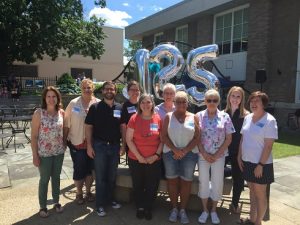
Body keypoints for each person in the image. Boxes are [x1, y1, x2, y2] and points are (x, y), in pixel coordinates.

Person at [238, 91, 278, 225]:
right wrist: (239, 156)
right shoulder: (248, 118)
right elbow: (243, 138)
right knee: (252, 192)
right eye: (252, 101)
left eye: (257, 101)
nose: (254, 104)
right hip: (247, 162)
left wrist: (260, 165)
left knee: (260, 194)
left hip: (261, 165)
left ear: (263, 104)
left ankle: (258, 222)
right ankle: (251, 219)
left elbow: (268, 146)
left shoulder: (270, 120)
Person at [85, 81, 124, 217]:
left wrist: (123, 145)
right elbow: (88, 127)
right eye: (106, 89)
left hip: (114, 147)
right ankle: (100, 205)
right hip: (99, 146)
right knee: (100, 177)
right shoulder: (95, 107)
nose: (109, 91)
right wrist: (89, 146)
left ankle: (110, 199)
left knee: (112, 176)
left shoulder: (120, 107)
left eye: (112, 89)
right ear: (102, 91)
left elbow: (122, 128)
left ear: (115, 91)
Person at [197, 89, 235, 224]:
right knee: (203, 181)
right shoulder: (198, 116)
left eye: (214, 100)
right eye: (209, 100)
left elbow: (229, 138)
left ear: (219, 101)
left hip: (219, 156)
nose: (212, 102)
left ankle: (213, 210)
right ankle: (204, 210)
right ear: (205, 101)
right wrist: (205, 153)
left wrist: (217, 154)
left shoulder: (225, 117)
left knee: (217, 182)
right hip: (203, 155)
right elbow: (196, 138)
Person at [161, 91, 200, 224]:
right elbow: (163, 136)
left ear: (187, 103)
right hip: (170, 154)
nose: (181, 104)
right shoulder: (168, 116)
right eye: (178, 101)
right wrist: (175, 150)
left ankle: (182, 210)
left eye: (184, 101)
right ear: (174, 103)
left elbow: (197, 137)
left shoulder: (194, 117)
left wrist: (184, 151)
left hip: (189, 155)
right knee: (172, 181)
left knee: (186, 182)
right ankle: (174, 209)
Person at [126, 94, 163, 220]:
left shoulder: (158, 118)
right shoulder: (133, 119)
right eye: (143, 102)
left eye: (148, 102)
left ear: (152, 104)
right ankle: (140, 206)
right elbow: (129, 140)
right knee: (138, 184)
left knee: (152, 184)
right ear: (139, 105)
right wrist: (139, 157)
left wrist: (156, 155)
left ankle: (148, 207)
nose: (145, 105)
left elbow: (162, 140)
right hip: (136, 159)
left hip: (154, 159)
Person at [31, 86, 65, 218]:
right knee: (44, 179)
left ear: (58, 98)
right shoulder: (38, 113)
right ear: (45, 98)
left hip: (58, 152)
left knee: (56, 178)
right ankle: (43, 206)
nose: (51, 99)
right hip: (44, 153)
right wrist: (35, 155)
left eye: (54, 96)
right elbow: (33, 136)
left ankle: (56, 202)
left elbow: (64, 130)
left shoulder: (61, 112)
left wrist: (65, 144)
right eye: (49, 96)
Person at [64, 78, 100, 205]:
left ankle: (88, 191)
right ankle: (79, 193)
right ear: (81, 89)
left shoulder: (98, 103)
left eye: (89, 87)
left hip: (94, 144)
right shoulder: (73, 104)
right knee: (79, 168)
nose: (87, 90)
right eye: (84, 87)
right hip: (77, 142)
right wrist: (64, 141)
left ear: (93, 88)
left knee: (90, 169)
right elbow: (66, 124)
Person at [224, 86, 249, 213]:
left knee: (238, 178)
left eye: (238, 96)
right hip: (224, 150)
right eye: (233, 96)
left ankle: (234, 203)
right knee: (215, 172)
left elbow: (245, 137)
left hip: (238, 152)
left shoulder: (246, 116)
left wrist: (240, 155)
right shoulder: (223, 113)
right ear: (229, 97)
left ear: (242, 99)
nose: (235, 99)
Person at [120, 80, 141, 163]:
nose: (135, 92)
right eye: (132, 90)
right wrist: (124, 144)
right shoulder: (124, 106)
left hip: (143, 139)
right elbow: (123, 126)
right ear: (128, 92)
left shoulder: (144, 103)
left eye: (137, 90)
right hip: (131, 140)